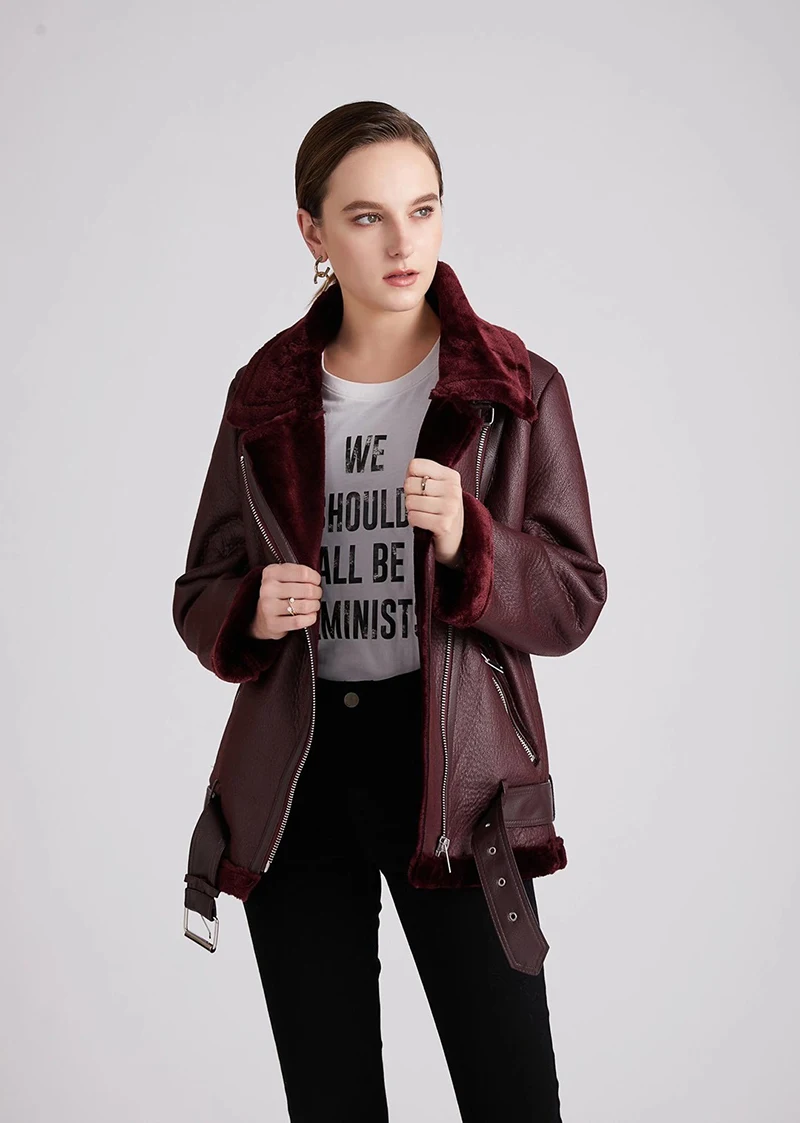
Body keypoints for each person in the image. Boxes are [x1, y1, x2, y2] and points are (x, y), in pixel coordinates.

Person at [173, 100, 607, 1123]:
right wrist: (250, 609)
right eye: (366, 217)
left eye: (422, 209)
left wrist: (472, 540)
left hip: (452, 778)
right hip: (298, 774)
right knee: (329, 1103)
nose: (402, 241)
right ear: (313, 232)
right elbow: (200, 591)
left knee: (512, 1096)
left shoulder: (513, 389)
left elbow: (574, 597)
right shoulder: (264, 395)